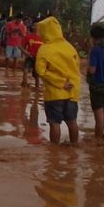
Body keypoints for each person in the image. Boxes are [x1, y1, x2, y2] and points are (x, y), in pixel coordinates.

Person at [35, 16, 81, 144]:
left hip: (54, 93)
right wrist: (70, 84)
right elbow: (77, 68)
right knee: (72, 121)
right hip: (72, 92)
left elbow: (41, 71)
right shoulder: (70, 47)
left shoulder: (44, 49)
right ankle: (74, 147)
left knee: (54, 123)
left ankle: (54, 152)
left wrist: (60, 83)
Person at [21, 23, 43, 89]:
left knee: (37, 75)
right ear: (32, 27)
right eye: (34, 26)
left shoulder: (43, 38)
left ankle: (37, 89)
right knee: (25, 71)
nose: (36, 27)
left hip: (38, 58)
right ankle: (24, 87)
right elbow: (20, 46)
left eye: (37, 26)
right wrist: (25, 52)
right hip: (29, 57)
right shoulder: (28, 36)